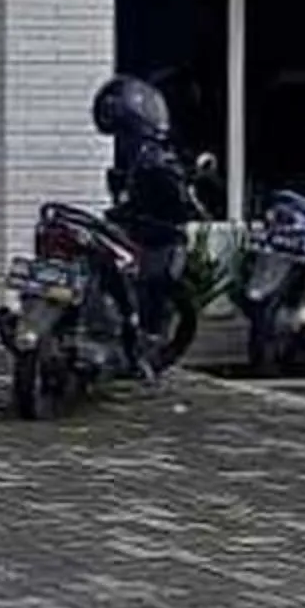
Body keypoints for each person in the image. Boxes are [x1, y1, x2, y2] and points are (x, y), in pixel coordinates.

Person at [92, 75, 199, 380]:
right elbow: (174, 195)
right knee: (149, 278)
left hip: (129, 225)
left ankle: (133, 340)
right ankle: (136, 339)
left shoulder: (136, 151)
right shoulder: (151, 155)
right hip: (145, 231)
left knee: (133, 277)